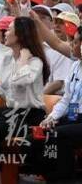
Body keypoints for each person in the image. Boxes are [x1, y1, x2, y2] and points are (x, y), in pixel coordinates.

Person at [0, 17, 49, 155]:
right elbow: (3, 93)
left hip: (30, 117)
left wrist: (24, 58)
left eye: (8, 30)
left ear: (20, 34)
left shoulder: (35, 61)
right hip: (11, 114)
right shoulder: (7, 59)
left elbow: (20, 81)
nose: (5, 33)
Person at [38, 26, 82, 181]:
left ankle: (64, 178)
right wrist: (51, 117)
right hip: (74, 114)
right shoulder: (75, 66)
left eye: (75, 42)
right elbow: (66, 99)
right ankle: (48, 174)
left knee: (60, 134)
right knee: (43, 130)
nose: (71, 45)